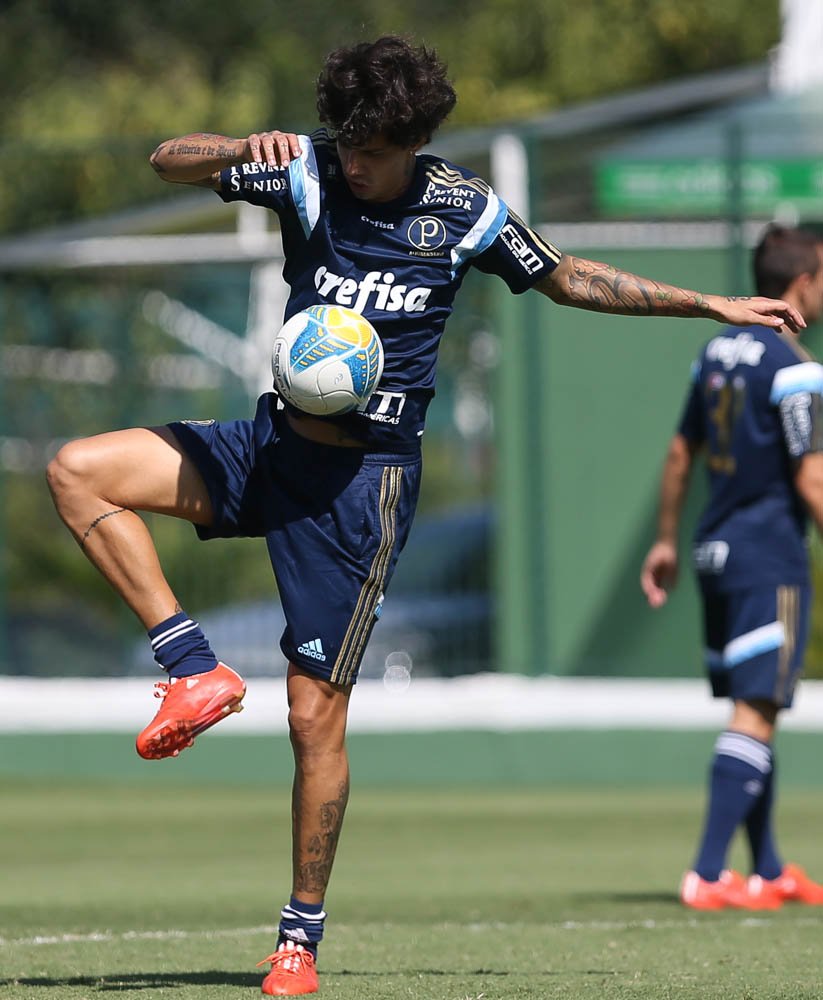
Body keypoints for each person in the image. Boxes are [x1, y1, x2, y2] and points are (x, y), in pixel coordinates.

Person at [46, 36, 804, 997]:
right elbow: (167, 158)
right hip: (271, 450)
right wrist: (240, 144)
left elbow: (567, 277)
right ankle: (192, 669)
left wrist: (706, 302)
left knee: (311, 716)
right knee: (79, 472)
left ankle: (296, 941)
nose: (354, 162)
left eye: (372, 149)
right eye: (346, 142)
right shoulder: (308, 172)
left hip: (362, 494)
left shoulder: (463, 211)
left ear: (413, 140)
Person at [640, 224, 823, 912]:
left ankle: (768, 866)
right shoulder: (795, 367)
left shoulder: (714, 349)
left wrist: (663, 540)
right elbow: (812, 480)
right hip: (767, 555)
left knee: (757, 710)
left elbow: (680, 453)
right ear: (802, 281)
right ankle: (710, 873)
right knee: (756, 710)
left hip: (713, 549)